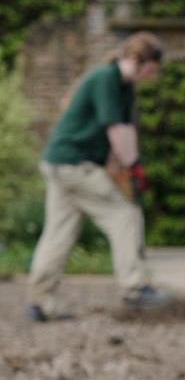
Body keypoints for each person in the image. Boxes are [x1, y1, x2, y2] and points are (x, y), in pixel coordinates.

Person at [27, 32, 172, 321]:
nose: (151, 76)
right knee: (125, 215)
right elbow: (115, 128)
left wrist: (134, 163)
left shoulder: (125, 87)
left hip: (60, 163)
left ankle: (41, 302)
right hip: (74, 164)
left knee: (59, 233)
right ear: (135, 59)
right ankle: (134, 287)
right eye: (150, 69)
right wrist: (133, 164)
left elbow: (127, 129)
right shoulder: (106, 79)